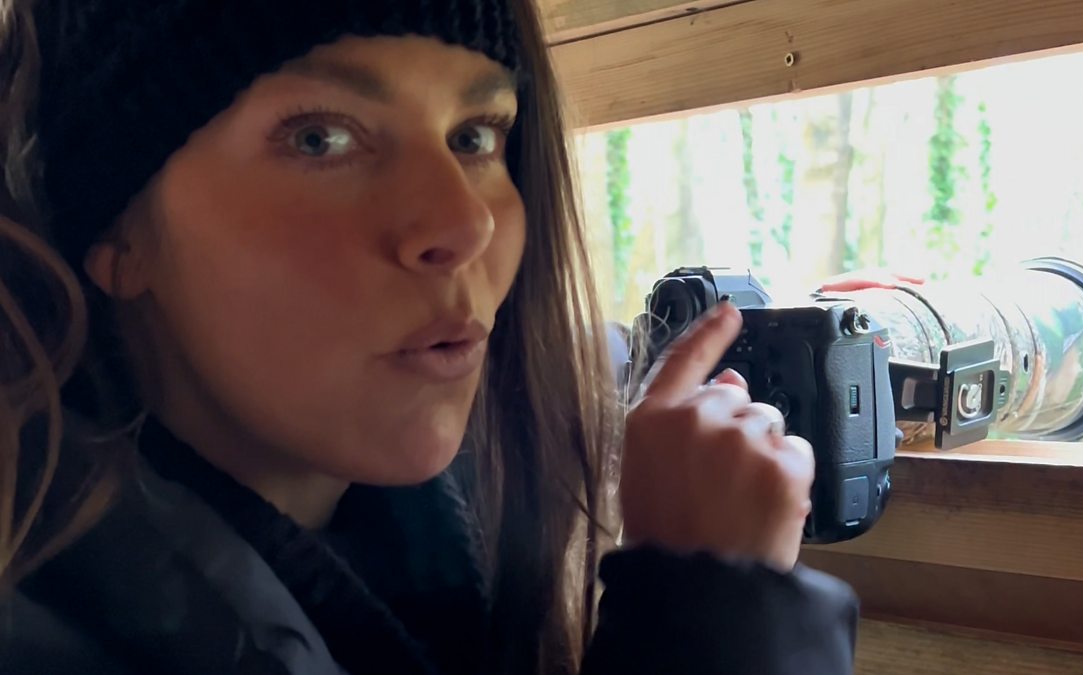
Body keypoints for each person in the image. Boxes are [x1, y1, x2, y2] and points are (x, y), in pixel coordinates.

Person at [0, 1, 866, 673]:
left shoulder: (451, 533)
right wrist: (710, 624)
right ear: (117, 230)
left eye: (474, 136)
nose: (465, 220)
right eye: (320, 137)